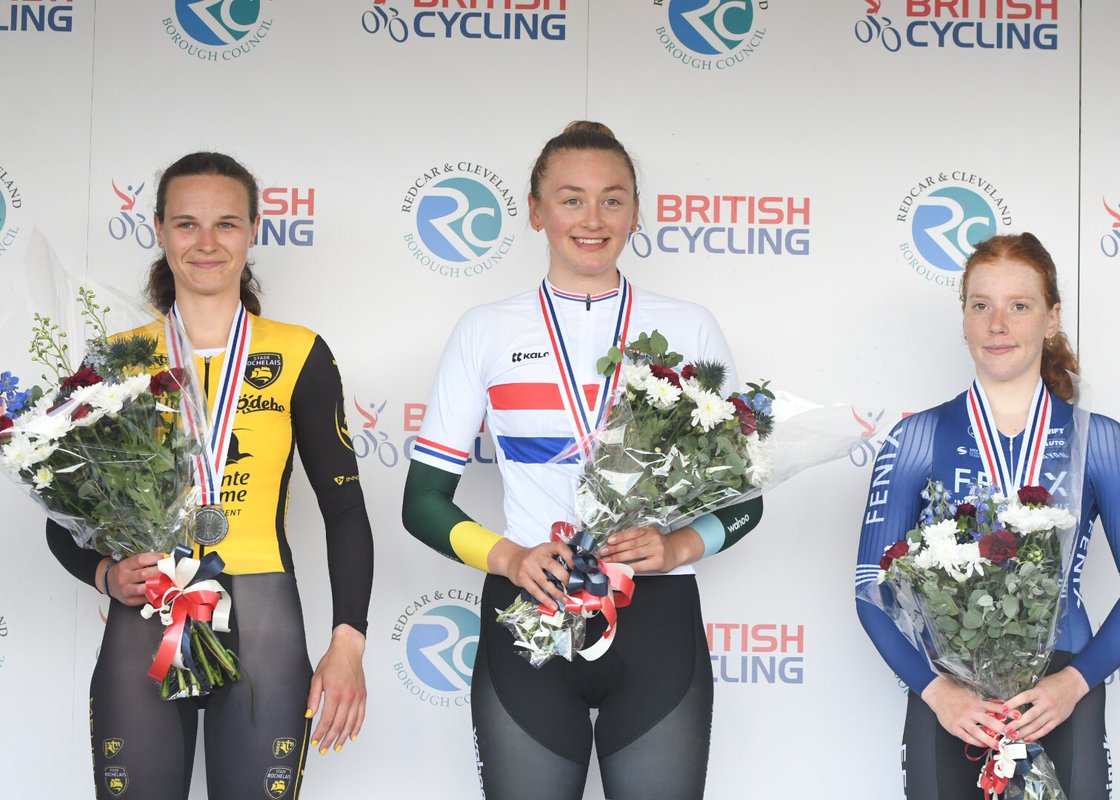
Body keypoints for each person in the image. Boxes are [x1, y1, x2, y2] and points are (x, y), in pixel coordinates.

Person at [402, 121, 764, 799]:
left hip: (654, 620)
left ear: (635, 211)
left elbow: (745, 499)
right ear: (536, 211)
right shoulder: (486, 330)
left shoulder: (688, 327)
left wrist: (678, 544)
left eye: (612, 199)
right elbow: (421, 502)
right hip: (528, 610)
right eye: (571, 199)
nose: (592, 220)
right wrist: (509, 557)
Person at [45, 152, 374, 799]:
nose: (206, 242)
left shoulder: (299, 352)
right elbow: (63, 521)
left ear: (254, 228)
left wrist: (349, 644)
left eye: (225, 223)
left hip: (265, 622)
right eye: (187, 224)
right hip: (146, 617)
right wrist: (108, 574)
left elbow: (345, 513)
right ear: (161, 231)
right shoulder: (116, 361)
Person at [854, 232, 1120, 799]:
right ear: (964, 321)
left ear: (1051, 319)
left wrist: (1072, 684)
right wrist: (935, 691)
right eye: (981, 306)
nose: (998, 324)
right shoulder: (914, 438)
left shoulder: (1102, 441)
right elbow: (867, 588)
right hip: (951, 705)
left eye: (1018, 305)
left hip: (1060, 697)